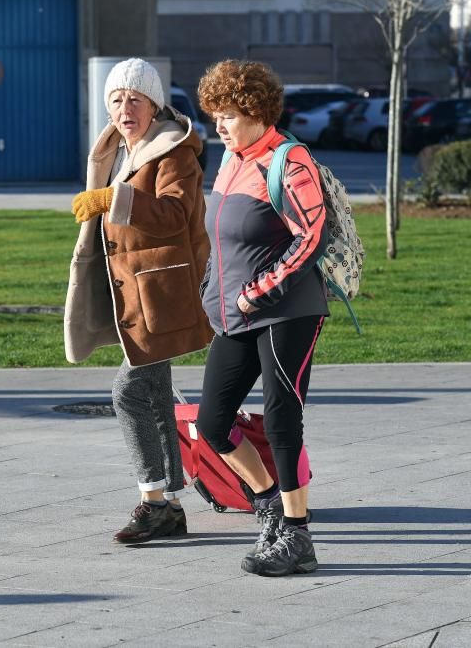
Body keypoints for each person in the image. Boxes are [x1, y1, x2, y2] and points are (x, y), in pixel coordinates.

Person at [64, 58, 212, 544]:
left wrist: (113, 198)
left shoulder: (175, 152)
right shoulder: (117, 149)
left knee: (128, 392)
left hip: (162, 293)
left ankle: (152, 501)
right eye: (116, 99)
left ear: (154, 104)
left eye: (135, 99)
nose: (125, 108)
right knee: (153, 393)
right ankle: (170, 505)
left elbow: (173, 215)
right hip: (135, 290)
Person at [194, 60, 328, 576]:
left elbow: (309, 236)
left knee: (280, 421)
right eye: (215, 115)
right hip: (234, 314)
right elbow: (224, 237)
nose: (220, 125)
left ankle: (297, 536)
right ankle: (267, 502)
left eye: (228, 114)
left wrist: (259, 289)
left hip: (288, 311)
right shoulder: (230, 159)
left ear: (255, 111)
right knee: (213, 422)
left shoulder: (289, 161)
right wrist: (214, 290)